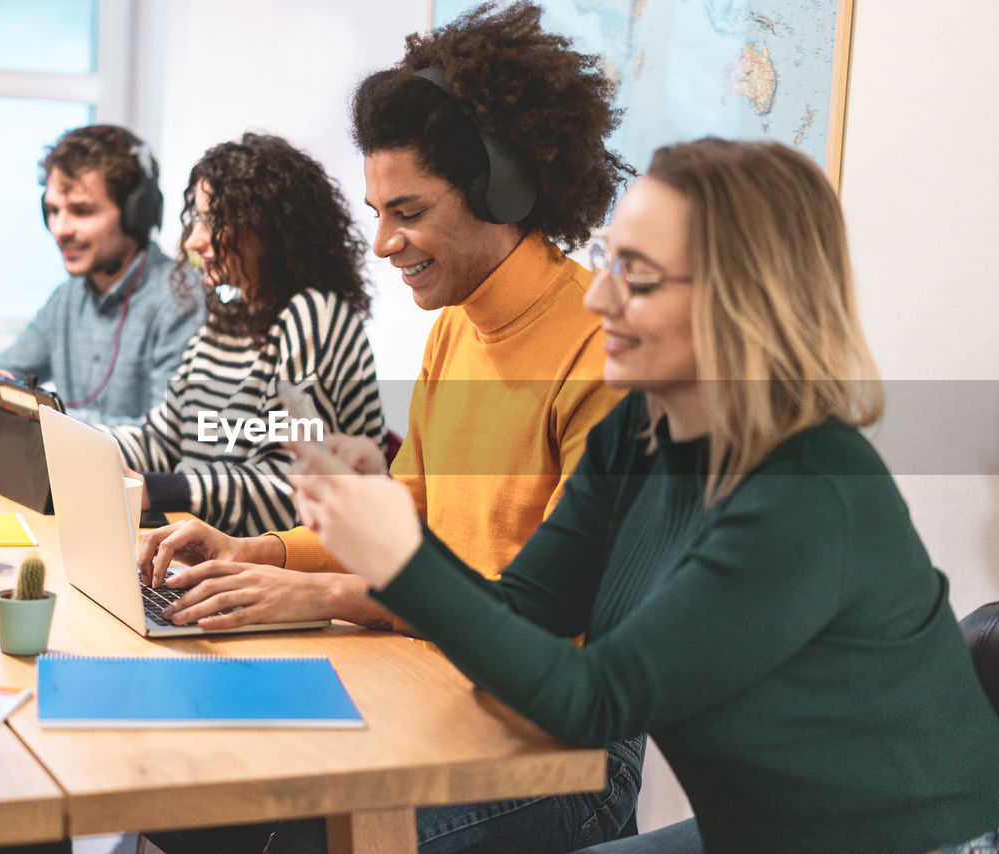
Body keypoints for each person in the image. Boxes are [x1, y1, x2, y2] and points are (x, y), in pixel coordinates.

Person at [289, 137, 999, 854]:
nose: (599, 299)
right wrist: (382, 538)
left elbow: (591, 703)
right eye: (606, 260)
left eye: (638, 275)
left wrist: (401, 560)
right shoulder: (639, 428)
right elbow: (524, 612)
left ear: (742, 299)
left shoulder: (807, 494)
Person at [140, 4, 642, 852]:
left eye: (405, 211)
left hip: (567, 747)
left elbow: (550, 620)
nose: (381, 243)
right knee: (198, 802)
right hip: (440, 676)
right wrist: (259, 551)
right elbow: (401, 525)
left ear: (503, 189)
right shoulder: (456, 330)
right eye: (376, 210)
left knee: (290, 836)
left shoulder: (597, 353)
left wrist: (331, 595)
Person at [100, 132, 385, 537]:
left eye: (214, 221)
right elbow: (161, 439)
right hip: (217, 550)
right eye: (196, 219)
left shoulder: (312, 315)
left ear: (270, 229)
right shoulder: (223, 324)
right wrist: (70, 441)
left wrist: (162, 489)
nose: (195, 240)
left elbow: (288, 485)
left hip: (286, 569)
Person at [0, 124, 204, 438]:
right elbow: (2, 375)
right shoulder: (67, 298)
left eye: (81, 211)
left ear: (135, 213)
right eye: (52, 210)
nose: (60, 229)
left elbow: (167, 436)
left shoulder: (181, 298)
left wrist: (37, 418)